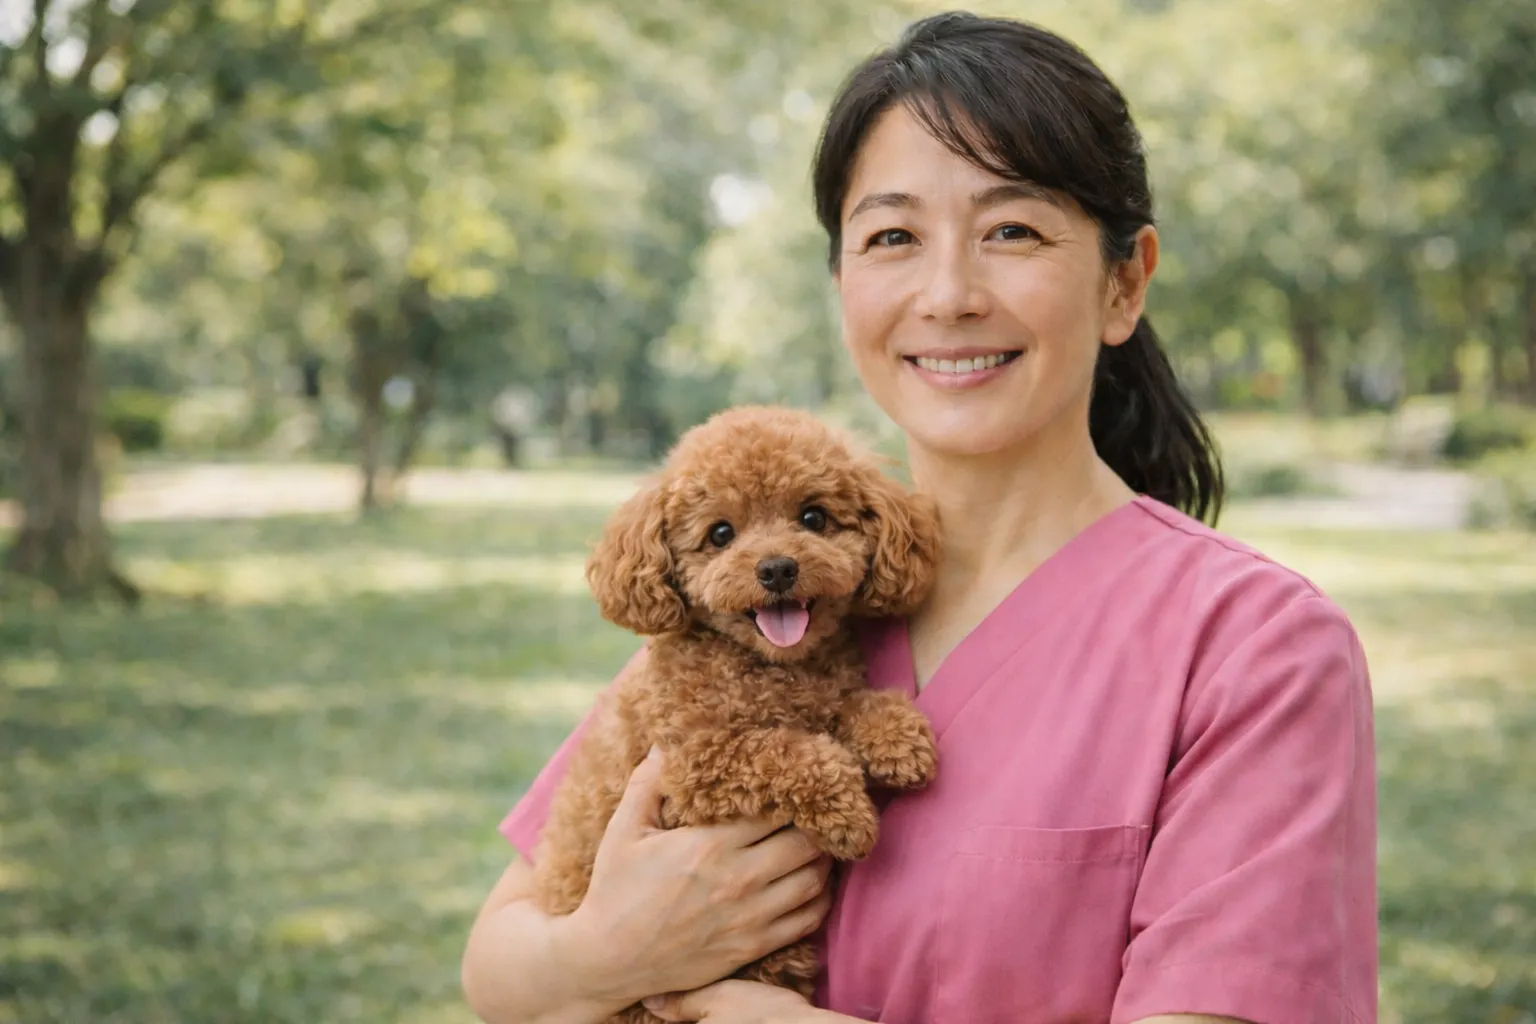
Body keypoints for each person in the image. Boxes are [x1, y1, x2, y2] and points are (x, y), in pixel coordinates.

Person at [460, 11, 1377, 1024]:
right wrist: (602, 954)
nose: (947, 294)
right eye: (893, 237)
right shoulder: (749, 620)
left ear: (1124, 282)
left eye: (1012, 231)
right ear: (842, 284)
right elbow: (499, 964)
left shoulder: (1255, 649)